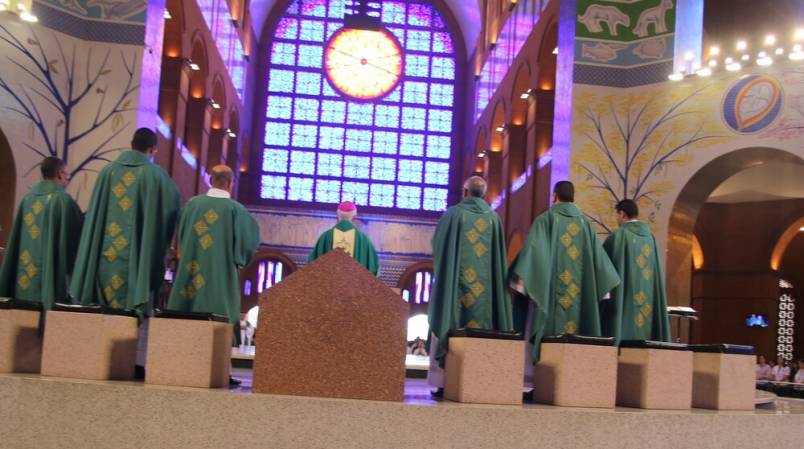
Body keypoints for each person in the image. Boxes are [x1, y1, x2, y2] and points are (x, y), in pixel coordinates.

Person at [69, 128, 180, 374]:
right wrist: (162, 246)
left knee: (102, 304)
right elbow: (171, 210)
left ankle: (98, 356)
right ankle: (133, 361)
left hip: (103, 258)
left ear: (131, 144)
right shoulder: (156, 176)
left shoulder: (107, 172)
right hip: (137, 260)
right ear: (153, 149)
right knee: (136, 302)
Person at [510, 181, 620, 368]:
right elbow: (600, 263)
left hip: (550, 299)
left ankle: (548, 373)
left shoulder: (545, 220)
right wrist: (600, 290)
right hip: (579, 301)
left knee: (548, 340)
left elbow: (533, 254)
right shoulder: (585, 224)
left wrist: (519, 283)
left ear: (554, 196)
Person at [428, 176, 513, 395]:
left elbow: (438, 245)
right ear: (483, 194)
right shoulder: (493, 218)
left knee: (451, 320)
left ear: (465, 192)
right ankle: (480, 382)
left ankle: (445, 383)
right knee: (483, 325)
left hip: (455, 287)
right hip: (486, 294)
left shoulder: (453, 214)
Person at [167, 165, 260, 335]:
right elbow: (248, 247)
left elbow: (180, 238)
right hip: (221, 278)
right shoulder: (237, 211)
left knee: (183, 332)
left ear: (210, 180)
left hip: (191, 274)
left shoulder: (191, 205)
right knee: (218, 332)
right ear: (230, 183)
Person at [0, 157, 83, 309]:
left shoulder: (27, 200)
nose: (67, 180)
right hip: (49, 282)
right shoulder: (63, 201)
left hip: (21, 285)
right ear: (59, 174)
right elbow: (78, 242)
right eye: (67, 175)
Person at [599, 199, 670, 344]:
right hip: (647, 302)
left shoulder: (619, 236)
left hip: (624, 301)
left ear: (622, 214)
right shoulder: (650, 238)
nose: (617, 219)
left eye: (617, 215)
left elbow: (603, 269)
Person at [307, 201, 378, 275]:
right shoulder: (363, 239)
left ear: (337, 216)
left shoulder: (325, 236)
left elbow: (312, 264)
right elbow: (373, 267)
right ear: (354, 217)